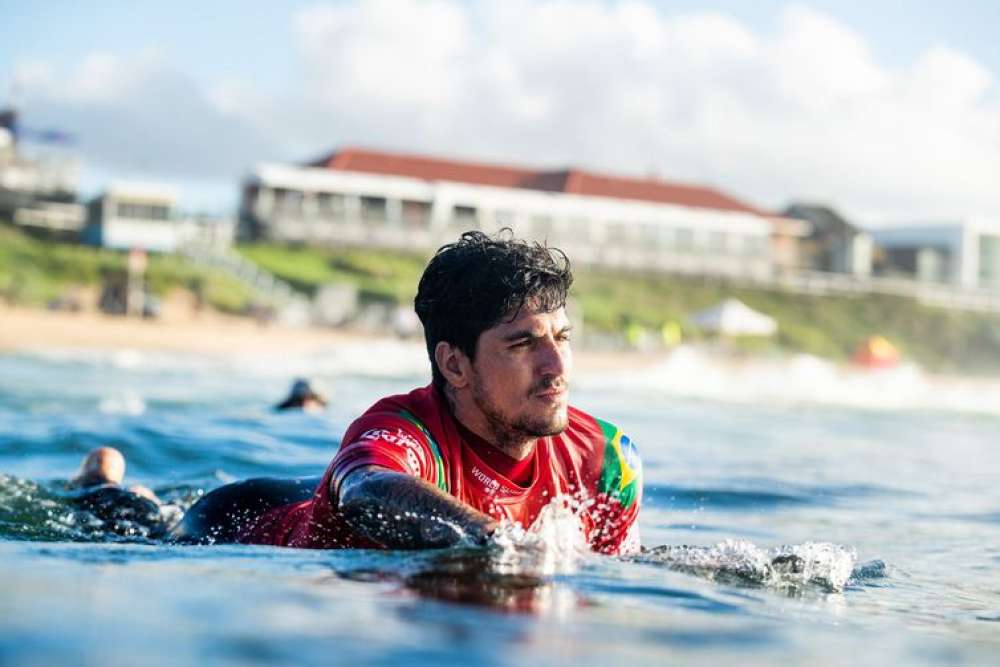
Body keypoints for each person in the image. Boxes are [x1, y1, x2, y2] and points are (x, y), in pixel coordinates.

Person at [174, 230, 643, 555]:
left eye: (561, 338)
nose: (557, 366)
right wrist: (502, 545)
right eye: (522, 344)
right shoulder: (405, 433)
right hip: (233, 520)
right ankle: (100, 479)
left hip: (339, 491)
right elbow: (366, 492)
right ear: (455, 364)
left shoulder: (605, 463)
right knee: (116, 510)